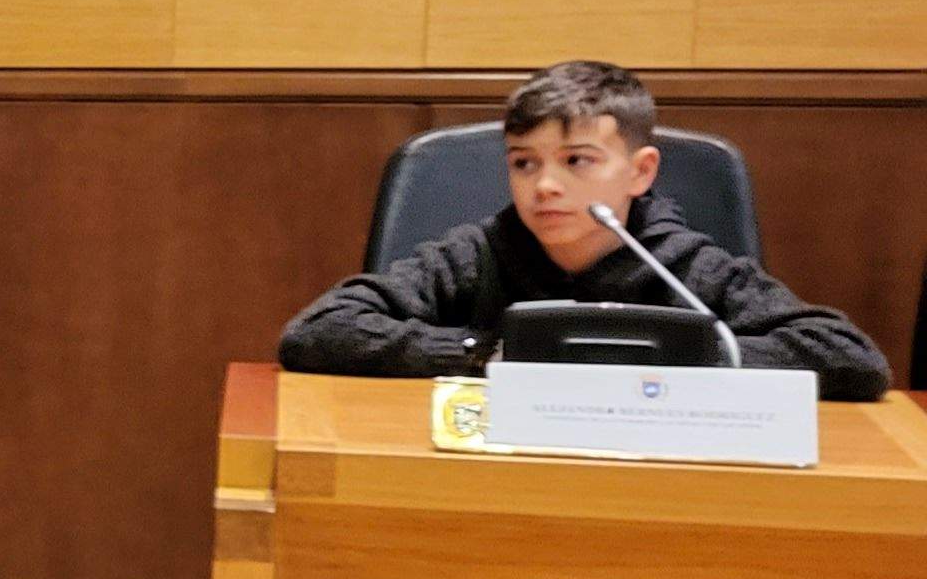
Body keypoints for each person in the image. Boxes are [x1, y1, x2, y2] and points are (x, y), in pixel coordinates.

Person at [279, 59, 892, 399]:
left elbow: (851, 360)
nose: (544, 185)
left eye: (577, 161)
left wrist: (678, 359)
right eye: (524, 163)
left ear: (640, 171)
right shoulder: (481, 253)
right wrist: (490, 354)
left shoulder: (681, 264)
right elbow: (320, 332)